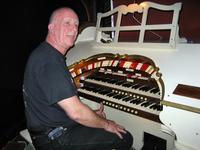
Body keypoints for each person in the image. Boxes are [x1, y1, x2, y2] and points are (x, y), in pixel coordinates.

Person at [23, 7, 133, 150]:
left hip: (54, 128)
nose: (74, 29)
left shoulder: (48, 54)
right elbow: (76, 113)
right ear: (51, 27)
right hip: (53, 139)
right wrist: (106, 124)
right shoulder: (49, 61)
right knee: (124, 138)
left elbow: (62, 106)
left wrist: (93, 116)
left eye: (76, 24)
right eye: (67, 23)